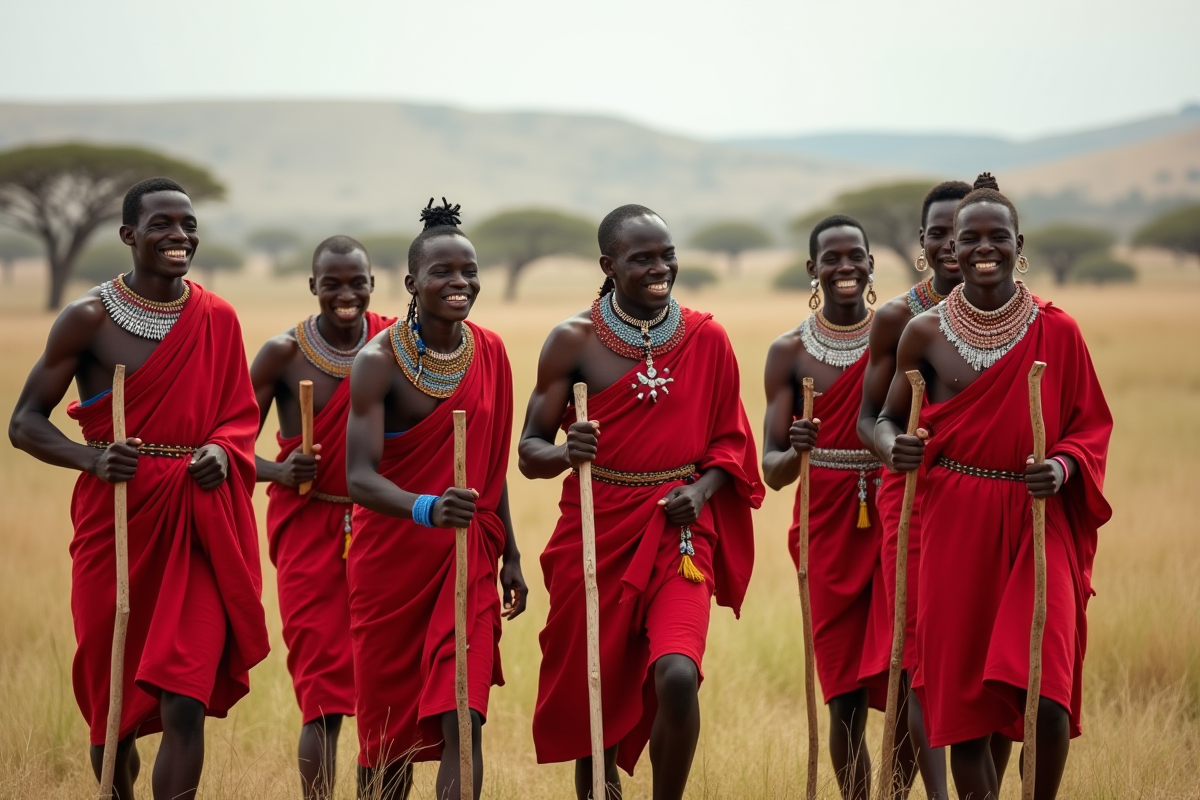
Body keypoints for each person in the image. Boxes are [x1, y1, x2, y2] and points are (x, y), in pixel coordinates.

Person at [7, 177, 269, 800]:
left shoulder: (218, 316)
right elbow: (24, 423)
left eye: (188, 225)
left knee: (185, 699)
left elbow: (240, 416)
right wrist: (90, 460)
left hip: (197, 521)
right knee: (113, 709)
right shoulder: (88, 318)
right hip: (116, 518)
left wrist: (222, 451)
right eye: (162, 225)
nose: (180, 237)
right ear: (129, 235)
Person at [874, 174, 1112, 800]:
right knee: (965, 708)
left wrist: (1060, 467)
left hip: (1039, 517)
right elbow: (885, 417)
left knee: (1048, 692)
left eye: (997, 237)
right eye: (969, 238)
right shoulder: (924, 333)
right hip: (955, 518)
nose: (985, 249)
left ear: (1018, 243)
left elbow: (1091, 427)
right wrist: (893, 447)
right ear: (949, 247)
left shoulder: (1058, 330)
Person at [520, 204, 763, 800]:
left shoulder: (708, 337)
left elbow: (731, 444)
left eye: (667, 255)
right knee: (594, 696)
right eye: (642, 259)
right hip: (594, 531)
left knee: (678, 672)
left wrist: (700, 492)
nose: (661, 268)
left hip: (681, 534)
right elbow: (529, 452)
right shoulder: (572, 340)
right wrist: (568, 452)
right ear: (609, 265)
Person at [344, 199, 527, 800]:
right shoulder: (378, 363)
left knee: (463, 717)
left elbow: (491, 472)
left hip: (466, 559)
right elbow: (359, 477)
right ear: (411, 283)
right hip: (392, 566)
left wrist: (513, 557)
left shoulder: (492, 352)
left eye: (469, 271)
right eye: (443, 272)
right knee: (388, 738)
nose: (460, 283)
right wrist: (426, 508)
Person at [855, 180, 1011, 798]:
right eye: (942, 234)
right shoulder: (902, 319)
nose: (955, 245)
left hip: (999, 505)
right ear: (923, 243)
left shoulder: (1022, 315)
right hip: (918, 499)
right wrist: (896, 448)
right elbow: (872, 419)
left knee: (993, 652)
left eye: (964, 232)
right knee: (918, 654)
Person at [250, 235, 393, 800]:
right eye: (331, 283)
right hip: (309, 529)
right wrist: (280, 471)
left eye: (356, 282)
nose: (346, 294)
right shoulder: (281, 354)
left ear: (372, 284)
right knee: (323, 691)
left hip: (383, 526)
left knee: (382, 681)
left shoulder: (395, 342)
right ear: (312, 286)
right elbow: (227, 442)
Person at [762, 215, 887, 800]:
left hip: (894, 514)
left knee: (910, 676)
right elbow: (772, 470)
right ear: (813, 268)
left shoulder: (902, 337)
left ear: (870, 263)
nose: (845, 267)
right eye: (831, 258)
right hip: (824, 527)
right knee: (843, 694)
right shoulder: (788, 353)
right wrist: (797, 448)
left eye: (855, 255)